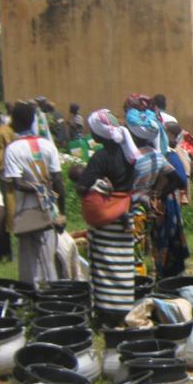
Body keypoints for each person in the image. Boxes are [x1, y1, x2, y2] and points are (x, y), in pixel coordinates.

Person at [73, 109, 138, 314]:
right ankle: (124, 307)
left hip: (107, 220)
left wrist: (91, 187)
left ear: (99, 134)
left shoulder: (101, 158)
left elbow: (82, 186)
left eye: (92, 130)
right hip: (125, 216)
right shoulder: (127, 152)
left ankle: (108, 313)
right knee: (123, 264)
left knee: (105, 266)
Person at [3, 101, 66, 283]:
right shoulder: (47, 145)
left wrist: (37, 188)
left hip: (27, 212)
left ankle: (33, 295)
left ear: (15, 122)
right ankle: (52, 293)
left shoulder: (13, 149)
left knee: (30, 264)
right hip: (50, 208)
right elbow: (58, 182)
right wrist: (62, 214)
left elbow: (17, 183)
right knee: (49, 258)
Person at [125, 108, 182, 276]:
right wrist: (157, 194)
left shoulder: (132, 157)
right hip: (149, 207)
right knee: (147, 246)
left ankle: (140, 283)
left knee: (136, 251)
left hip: (134, 209)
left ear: (135, 136)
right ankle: (152, 278)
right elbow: (177, 179)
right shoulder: (157, 156)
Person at [152, 124, 190, 278]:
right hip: (162, 202)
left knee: (168, 236)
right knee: (161, 236)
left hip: (167, 203)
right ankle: (165, 272)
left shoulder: (170, 156)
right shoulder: (160, 154)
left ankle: (170, 274)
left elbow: (181, 179)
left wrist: (160, 193)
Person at [0, 107, 15, 262]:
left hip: (3, 179)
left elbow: (0, 157)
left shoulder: (0, 132)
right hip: (8, 177)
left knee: (3, 215)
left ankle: (4, 252)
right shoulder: (6, 130)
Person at [166, 122, 191, 206]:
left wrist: (186, 193)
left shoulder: (176, 150)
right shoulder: (180, 149)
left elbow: (187, 172)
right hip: (176, 188)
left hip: (174, 189)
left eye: (165, 132)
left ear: (171, 135)